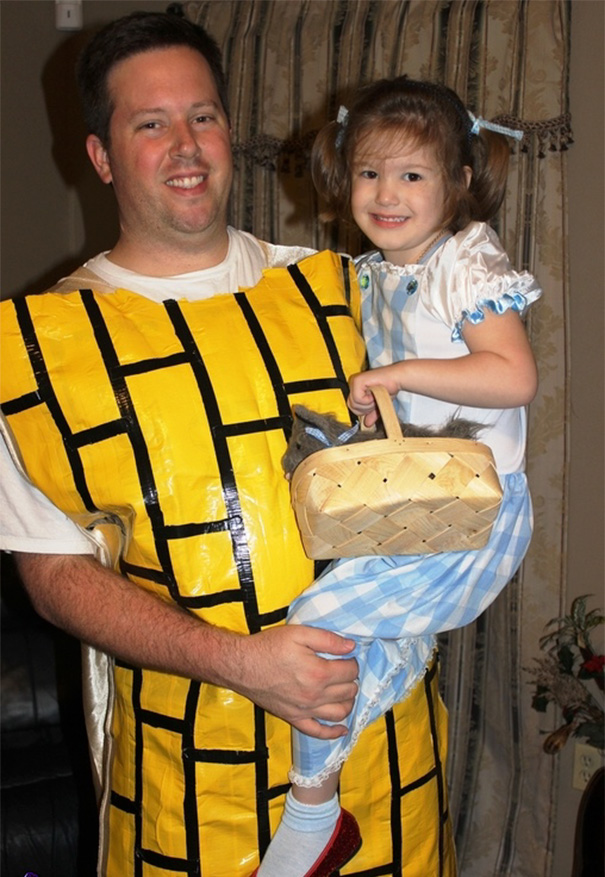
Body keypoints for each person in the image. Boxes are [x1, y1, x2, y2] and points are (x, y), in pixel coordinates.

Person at [0, 16, 456, 877]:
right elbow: (54, 576)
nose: (187, 146)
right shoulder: (33, 352)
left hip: (387, 756)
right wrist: (239, 662)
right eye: (151, 123)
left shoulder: (343, 292)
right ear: (99, 156)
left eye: (203, 116)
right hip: (189, 777)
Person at [254, 77, 542, 876]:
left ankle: (313, 810)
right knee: (354, 646)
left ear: (457, 183)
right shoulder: (370, 271)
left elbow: (512, 376)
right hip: (418, 500)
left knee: (314, 625)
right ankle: (334, 782)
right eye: (369, 172)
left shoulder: (464, 260)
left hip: (477, 510)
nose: (386, 193)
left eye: (412, 174)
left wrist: (394, 375)